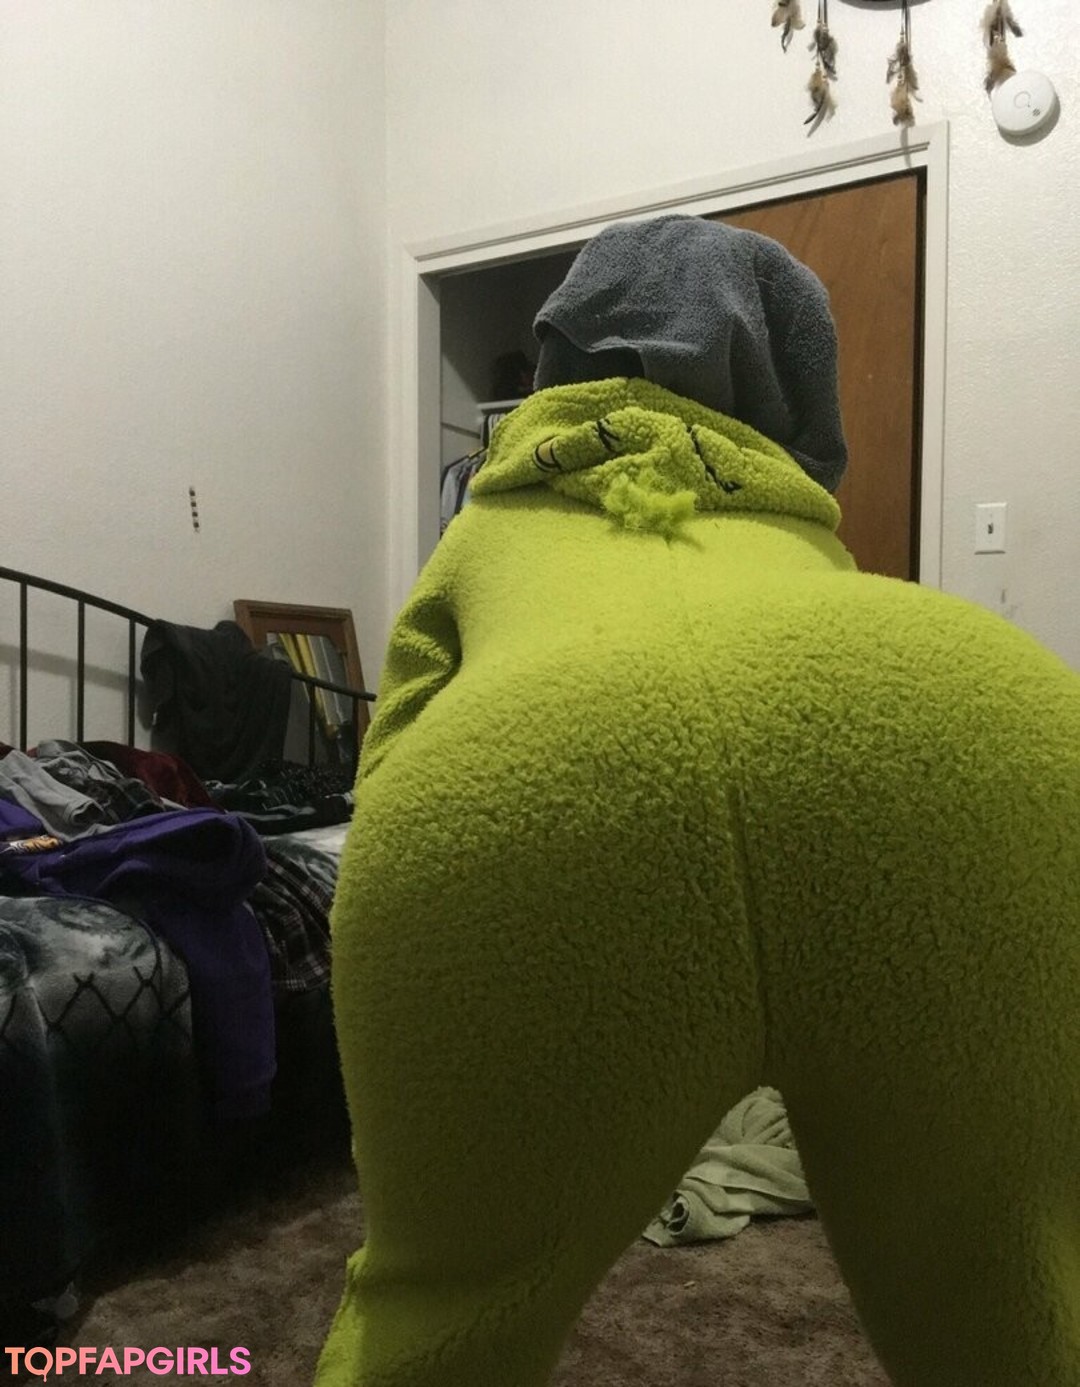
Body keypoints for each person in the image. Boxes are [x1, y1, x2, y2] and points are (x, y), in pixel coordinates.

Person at [316, 215, 1080, 1387]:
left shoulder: (489, 524)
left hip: (537, 763)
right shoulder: (797, 532)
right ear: (798, 400)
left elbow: (397, 746)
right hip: (975, 713)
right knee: (1008, 1282)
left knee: (447, 1308)